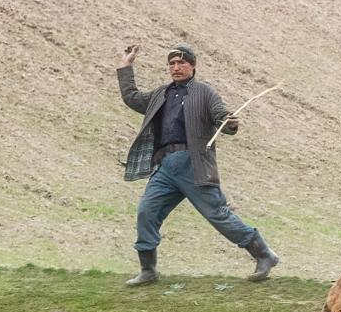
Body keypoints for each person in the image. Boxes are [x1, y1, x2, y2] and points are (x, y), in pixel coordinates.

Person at [113, 43, 278, 285]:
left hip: (194, 164)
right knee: (146, 212)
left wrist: (229, 122)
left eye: (181, 63)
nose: (176, 67)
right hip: (165, 167)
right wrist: (126, 65)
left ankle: (264, 255)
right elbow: (131, 97)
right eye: (172, 64)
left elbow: (222, 116)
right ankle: (148, 271)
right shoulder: (161, 94)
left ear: (193, 66)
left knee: (218, 215)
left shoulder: (204, 92)